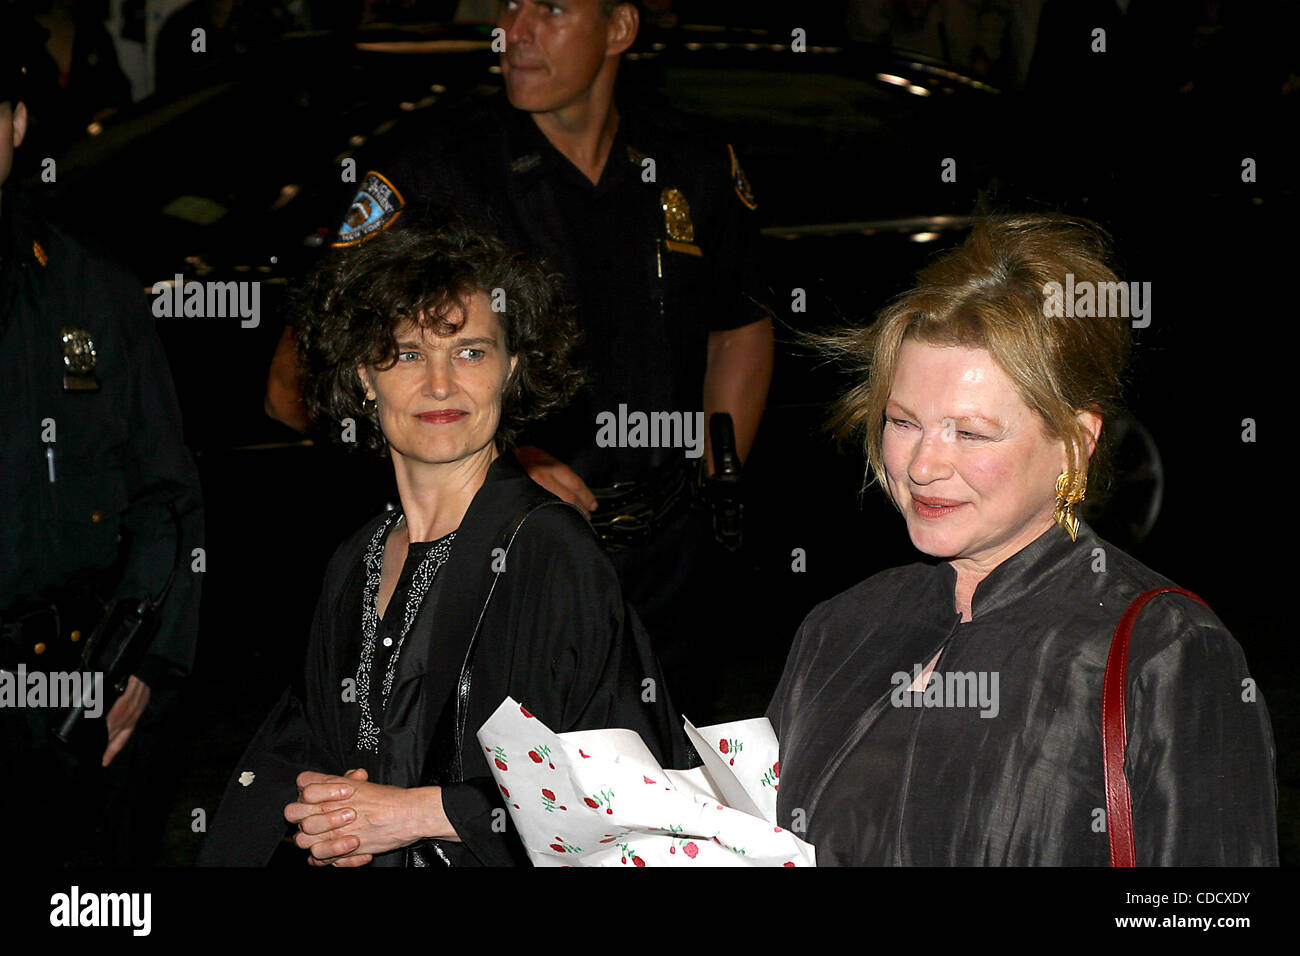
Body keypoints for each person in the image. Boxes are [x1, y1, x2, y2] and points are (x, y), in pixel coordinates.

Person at [265, 0, 774, 720]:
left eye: (552, 8)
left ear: (619, 30)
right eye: (508, 5)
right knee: (503, 807)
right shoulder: (438, 170)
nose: (516, 29)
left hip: (668, 565)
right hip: (499, 570)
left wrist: (713, 481)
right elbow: (294, 386)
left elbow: (740, 327)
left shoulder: (690, 162)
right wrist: (496, 468)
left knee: (664, 800)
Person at [767, 214, 1277, 865]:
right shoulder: (839, 628)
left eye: (971, 433)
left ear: (1074, 445)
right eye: (902, 421)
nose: (923, 465)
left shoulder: (1167, 654)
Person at [199, 208, 690, 867]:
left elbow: (621, 788)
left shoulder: (548, 552)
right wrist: (326, 815)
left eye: (469, 352)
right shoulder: (358, 558)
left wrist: (419, 814)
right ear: (363, 375)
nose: (438, 384)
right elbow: (308, 744)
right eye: (406, 354)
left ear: (512, 369)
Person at [0, 35, 205, 865]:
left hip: (64, 698)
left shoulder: (93, 294)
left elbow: (166, 497)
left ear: (15, 126)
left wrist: (146, 667)